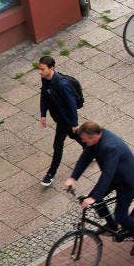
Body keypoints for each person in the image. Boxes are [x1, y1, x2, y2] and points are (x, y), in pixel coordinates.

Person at [64, 122, 134, 255]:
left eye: (84, 138)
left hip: (129, 181)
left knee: (120, 214)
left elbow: (108, 173)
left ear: (93, 136)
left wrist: (94, 197)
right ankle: (112, 225)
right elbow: (85, 157)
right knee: (95, 201)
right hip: (117, 177)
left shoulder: (110, 146)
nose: (82, 140)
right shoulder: (95, 141)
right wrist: (73, 178)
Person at [38, 55, 80, 188]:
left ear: (51, 68)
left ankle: (50, 174)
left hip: (65, 120)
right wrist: (43, 114)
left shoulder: (62, 84)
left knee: (57, 145)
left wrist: (74, 123)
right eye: (39, 69)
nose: (40, 72)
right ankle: (92, 148)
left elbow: (72, 104)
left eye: (43, 69)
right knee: (75, 136)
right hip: (59, 118)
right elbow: (44, 96)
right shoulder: (45, 79)